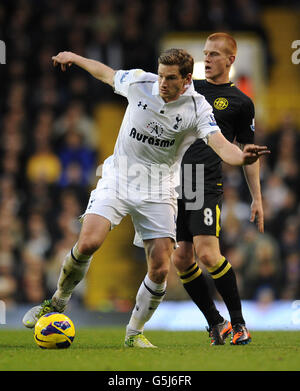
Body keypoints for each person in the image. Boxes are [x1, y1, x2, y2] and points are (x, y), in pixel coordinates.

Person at [22, 48, 269, 348]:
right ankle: (57, 301)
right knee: (88, 241)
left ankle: (133, 333)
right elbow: (106, 73)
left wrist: (242, 157)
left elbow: (220, 146)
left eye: (170, 78)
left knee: (162, 267)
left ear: (187, 79)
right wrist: (75, 58)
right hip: (120, 177)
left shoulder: (198, 108)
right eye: (161, 75)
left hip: (159, 188)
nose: (162, 83)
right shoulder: (140, 82)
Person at [173, 33, 263, 345]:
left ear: (230, 60)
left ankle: (239, 324)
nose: (207, 59)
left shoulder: (241, 102)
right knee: (181, 260)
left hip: (204, 181)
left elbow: (248, 153)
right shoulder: (188, 89)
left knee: (209, 255)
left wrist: (257, 199)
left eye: (214, 55)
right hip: (174, 183)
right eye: (205, 54)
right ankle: (216, 322)